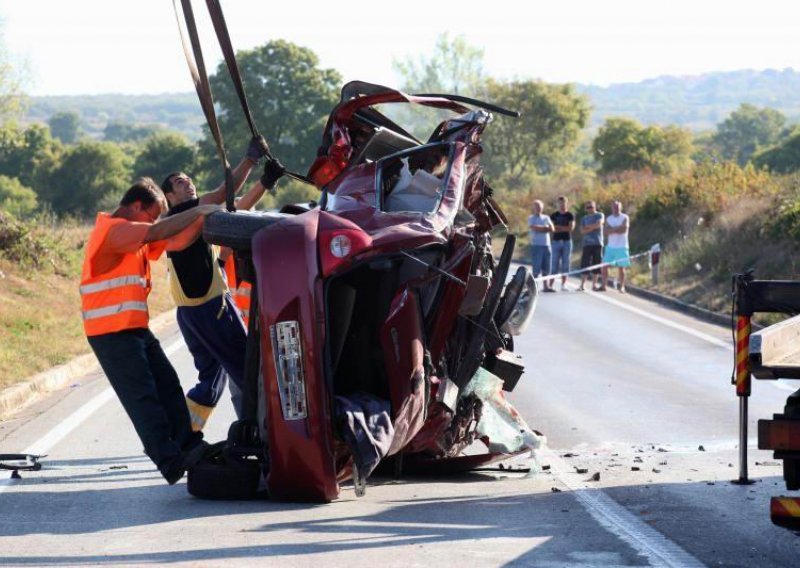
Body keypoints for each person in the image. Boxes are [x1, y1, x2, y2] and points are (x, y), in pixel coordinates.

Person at [80, 178, 222, 484]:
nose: (155, 220)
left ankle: (189, 445)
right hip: (110, 332)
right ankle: (169, 462)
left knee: (168, 384)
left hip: (133, 328)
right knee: (143, 398)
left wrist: (208, 218)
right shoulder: (115, 231)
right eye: (152, 213)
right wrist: (200, 210)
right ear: (135, 206)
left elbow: (177, 240)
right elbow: (159, 231)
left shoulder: (134, 235)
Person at [160, 139, 285, 431]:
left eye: (189, 180)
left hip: (190, 314)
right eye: (180, 182)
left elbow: (235, 211)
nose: (188, 184)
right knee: (246, 369)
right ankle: (267, 432)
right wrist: (250, 159)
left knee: (211, 380)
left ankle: (182, 434)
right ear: (168, 195)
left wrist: (265, 182)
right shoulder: (185, 213)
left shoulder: (182, 219)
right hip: (211, 308)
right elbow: (223, 195)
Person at [600, 200, 631, 293]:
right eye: (614, 207)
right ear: (611, 208)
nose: (615, 209)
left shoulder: (625, 217)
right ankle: (603, 285)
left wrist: (612, 229)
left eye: (617, 207)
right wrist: (617, 228)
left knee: (621, 267)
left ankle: (621, 286)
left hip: (622, 246)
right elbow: (605, 232)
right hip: (610, 247)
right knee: (604, 265)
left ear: (620, 208)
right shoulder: (609, 218)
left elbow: (624, 230)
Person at [549, 195, 575, 291]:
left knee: (565, 263)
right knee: (554, 263)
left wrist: (558, 227)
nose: (562, 205)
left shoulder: (570, 215)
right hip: (556, 242)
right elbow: (551, 229)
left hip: (567, 242)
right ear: (558, 204)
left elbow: (570, 228)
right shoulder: (554, 215)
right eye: (560, 203)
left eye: (563, 203)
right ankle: (550, 285)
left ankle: (563, 284)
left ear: (566, 203)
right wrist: (561, 228)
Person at [578, 201, 604, 291]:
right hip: (586, 244)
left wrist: (588, 227)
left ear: (595, 207)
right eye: (588, 207)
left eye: (591, 207)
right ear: (586, 209)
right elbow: (582, 231)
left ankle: (594, 285)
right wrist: (592, 227)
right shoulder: (584, 218)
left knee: (596, 264)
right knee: (585, 264)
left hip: (597, 243)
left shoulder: (599, 215)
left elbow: (599, 224)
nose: (590, 209)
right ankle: (582, 285)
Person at [527, 200, 554, 286]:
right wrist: (545, 228)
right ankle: (534, 287)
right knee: (536, 268)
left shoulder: (546, 217)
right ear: (534, 208)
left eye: (540, 207)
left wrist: (544, 228)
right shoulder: (531, 218)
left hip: (547, 245)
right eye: (537, 207)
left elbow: (552, 229)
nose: (538, 208)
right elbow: (534, 227)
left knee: (546, 267)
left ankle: (546, 286)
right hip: (536, 245)